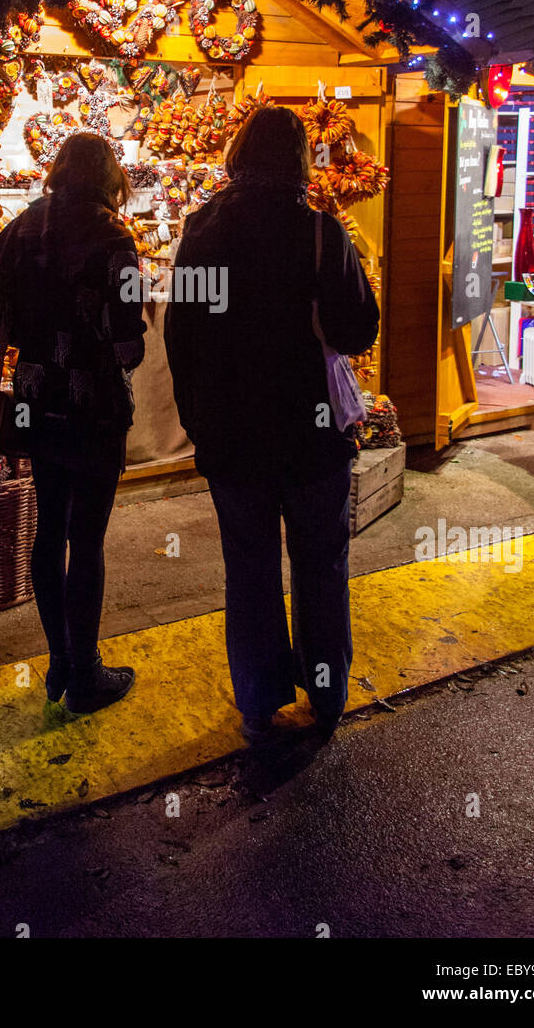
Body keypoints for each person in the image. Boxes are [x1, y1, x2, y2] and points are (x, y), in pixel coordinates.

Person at [164, 106, 379, 744]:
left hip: (232, 436)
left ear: (237, 154)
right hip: (311, 436)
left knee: (250, 567)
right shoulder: (320, 233)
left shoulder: (202, 231)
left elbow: (182, 336)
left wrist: (198, 421)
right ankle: (328, 692)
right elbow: (358, 328)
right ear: (299, 161)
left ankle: (259, 699)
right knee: (320, 563)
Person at [0, 133, 145, 713]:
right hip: (93, 406)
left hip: (34, 400)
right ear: (109, 177)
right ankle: (86, 672)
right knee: (88, 537)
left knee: (48, 528)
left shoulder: (20, 229)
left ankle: (58, 658)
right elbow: (130, 344)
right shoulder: (113, 237)